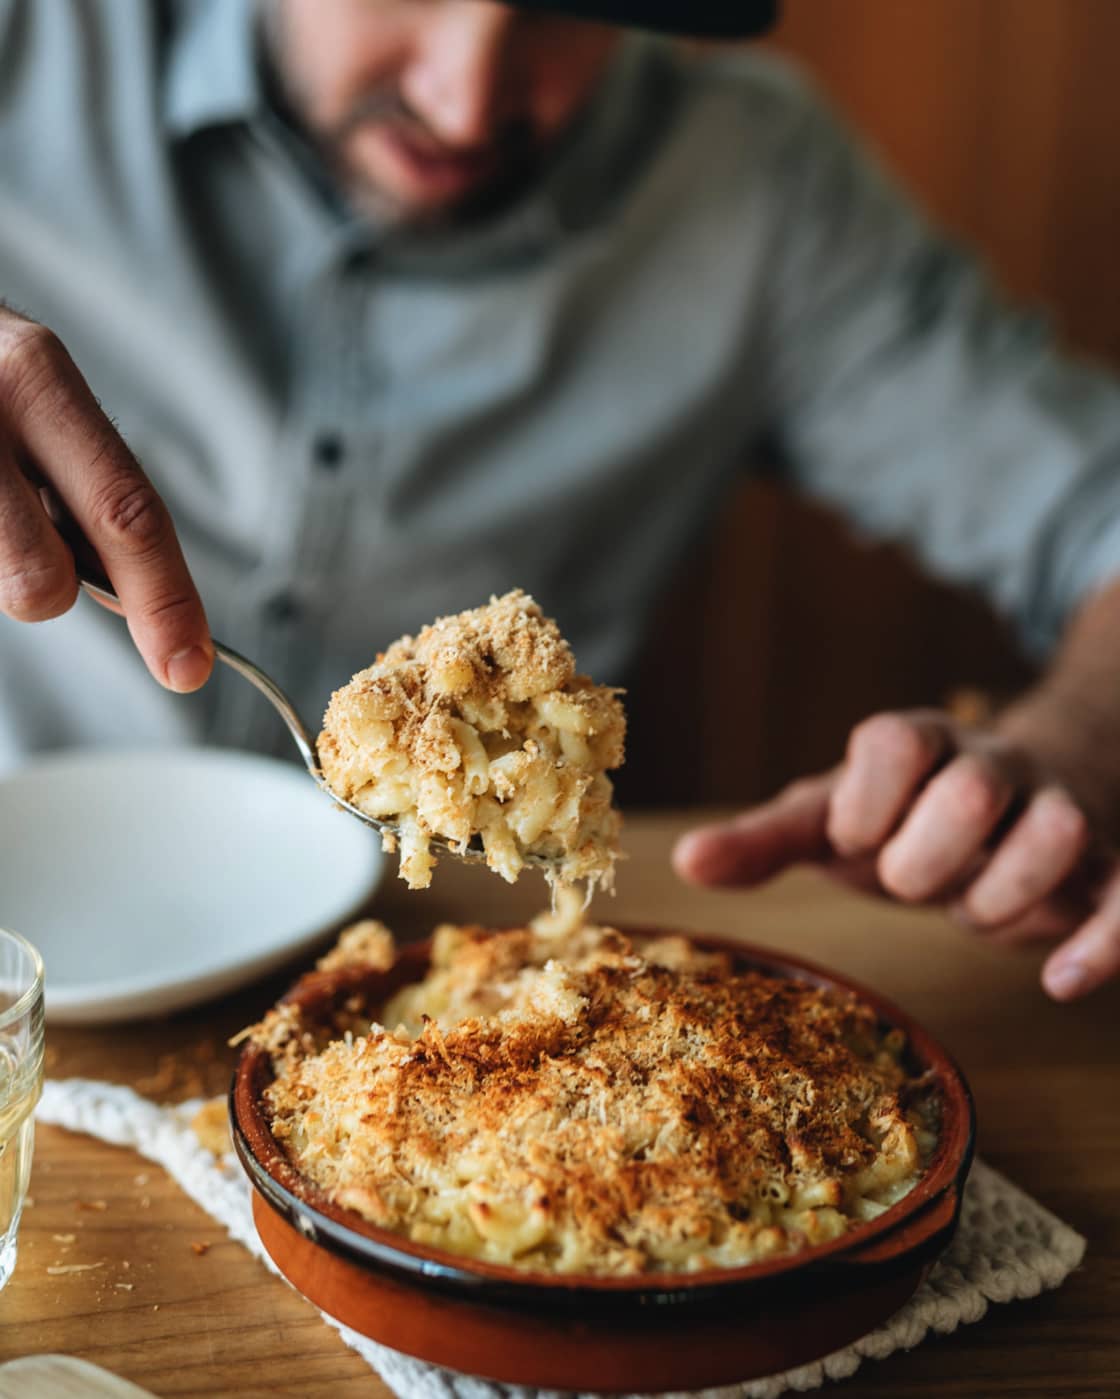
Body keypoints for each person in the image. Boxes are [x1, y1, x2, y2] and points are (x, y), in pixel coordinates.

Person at [2, 0, 1120, 1002]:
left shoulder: (753, 182)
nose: (464, 98)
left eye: (559, 10)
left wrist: (1081, 732)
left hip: (450, 962)